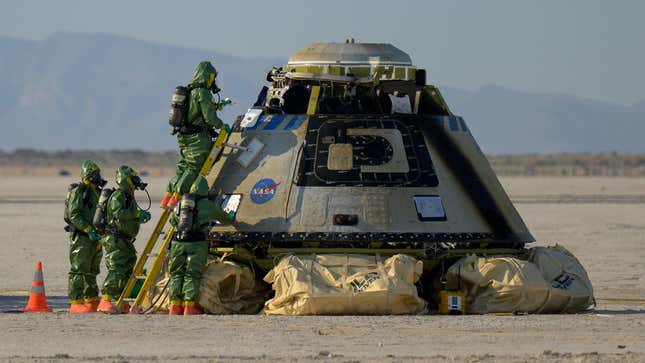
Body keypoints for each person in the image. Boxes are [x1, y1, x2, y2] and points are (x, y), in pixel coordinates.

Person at [161, 61, 231, 209]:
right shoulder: (203, 92)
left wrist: (219, 105)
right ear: (207, 76)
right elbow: (209, 118)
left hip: (184, 137)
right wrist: (222, 126)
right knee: (193, 168)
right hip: (198, 139)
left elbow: (195, 112)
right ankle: (176, 198)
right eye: (212, 77)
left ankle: (168, 196)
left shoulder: (189, 91)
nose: (213, 81)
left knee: (182, 167)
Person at [168, 176, 233, 315]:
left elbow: (172, 221)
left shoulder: (181, 202)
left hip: (177, 242)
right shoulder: (207, 205)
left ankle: (174, 306)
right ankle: (189, 306)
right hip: (196, 243)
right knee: (192, 273)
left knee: (176, 273)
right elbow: (225, 219)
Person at [97, 165, 151, 314]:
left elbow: (127, 216)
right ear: (126, 180)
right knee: (117, 268)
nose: (136, 181)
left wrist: (139, 217)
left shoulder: (128, 197)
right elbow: (118, 213)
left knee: (127, 269)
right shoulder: (118, 196)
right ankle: (105, 300)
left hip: (125, 240)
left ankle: (122, 301)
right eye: (133, 178)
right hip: (115, 239)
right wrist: (136, 214)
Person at [65, 160, 107, 314]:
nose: (98, 177)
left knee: (92, 270)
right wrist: (88, 229)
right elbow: (74, 214)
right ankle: (76, 302)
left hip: (95, 238)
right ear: (88, 175)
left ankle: (91, 299)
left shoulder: (96, 192)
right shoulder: (79, 192)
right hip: (82, 237)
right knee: (79, 269)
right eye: (95, 174)